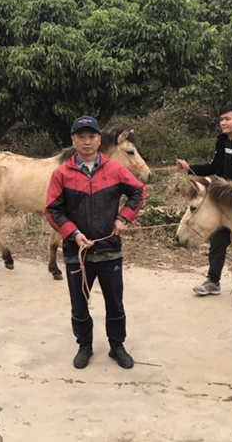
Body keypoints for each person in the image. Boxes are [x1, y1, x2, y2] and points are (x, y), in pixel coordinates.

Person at [45, 115, 145, 370]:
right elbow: (52, 210)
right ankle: (84, 346)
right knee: (79, 304)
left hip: (109, 251)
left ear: (100, 139)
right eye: (81, 137)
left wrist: (124, 218)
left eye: (92, 136)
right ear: (73, 140)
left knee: (115, 303)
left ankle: (117, 346)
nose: (87, 142)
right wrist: (73, 233)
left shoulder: (115, 169)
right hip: (75, 254)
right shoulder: (61, 174)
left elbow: (138, 192)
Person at [176, 103, 232, 307]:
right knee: (217, 243)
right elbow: (213, 167)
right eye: (221, 119)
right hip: (221, 207)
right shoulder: (222, 141)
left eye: (227, 119)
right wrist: (190, 168)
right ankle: (213, 281)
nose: (223, 123)